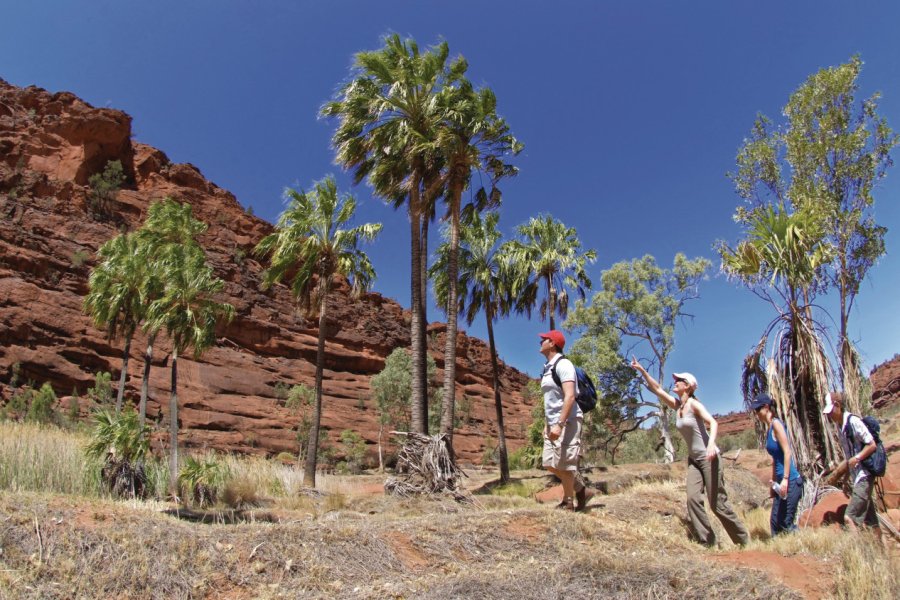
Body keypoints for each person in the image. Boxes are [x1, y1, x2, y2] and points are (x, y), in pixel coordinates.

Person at [631, 356, 749, 547]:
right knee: (692, 499)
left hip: (709, 458)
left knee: (717, 504)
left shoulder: (694, 405)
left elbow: (713, 422)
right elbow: (657, 390)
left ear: (688, 386)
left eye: (679, 380)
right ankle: (708, 542)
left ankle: (743, 541)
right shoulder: (678, 406)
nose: (674, 383)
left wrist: (711, 445)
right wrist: (642, 370)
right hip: (694, 460)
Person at [539, 330, 587, 511]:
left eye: (544, 339)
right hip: (552, 422)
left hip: (568, 421)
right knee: (549, 463)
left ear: (553, 343)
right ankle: (580, 488)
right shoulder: (547, 368)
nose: (541, 342)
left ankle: (568, 502)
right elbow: (549, 401)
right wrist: (547, 424)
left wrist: (559, 424)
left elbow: (569, 397)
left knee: (565, 464)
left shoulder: (564, 364)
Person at [823, 391, 882, 538]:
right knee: (872, 522)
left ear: (837, 405)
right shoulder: (840, 426)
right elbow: (849, 458)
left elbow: (872, 445)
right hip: (857, 478)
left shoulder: (853, 421)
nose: (829, 415)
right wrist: (845, 479)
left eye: (831, 411)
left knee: (850, 517)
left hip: (865, 476)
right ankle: (882, 553)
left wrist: (858, 457)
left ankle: (859, 555)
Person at [750, 393, 803, 536]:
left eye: (757, 410)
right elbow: (775, 459)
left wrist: (785, 479)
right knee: (775, 524)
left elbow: (787, 452)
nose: (756, 414)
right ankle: (779, 549)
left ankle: (800, 544)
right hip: (780, 483)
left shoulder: (776, 424)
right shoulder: (769, 429)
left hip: (791, 481)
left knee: (785, 524)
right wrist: (773, 485)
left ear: (766, 407)